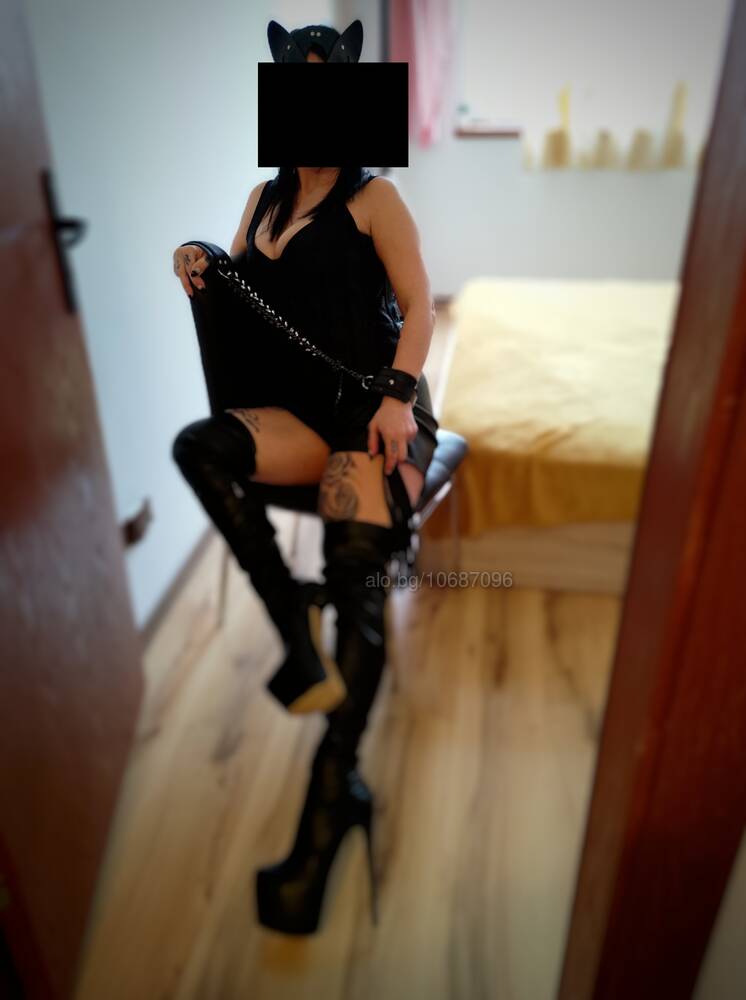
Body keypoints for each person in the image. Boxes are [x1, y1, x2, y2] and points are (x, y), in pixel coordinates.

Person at [170, 19, 439, 935]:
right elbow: (244, 304)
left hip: (373, 410)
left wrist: (398, 398)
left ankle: (333, 801)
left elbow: (420, 305)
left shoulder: (376, 197)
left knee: (356, 572)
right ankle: (294, 626)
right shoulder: (261, 199)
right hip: (300, 413)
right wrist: (200, 265)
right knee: (199, 448)